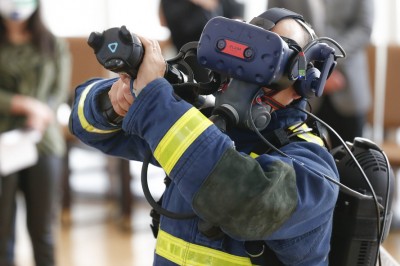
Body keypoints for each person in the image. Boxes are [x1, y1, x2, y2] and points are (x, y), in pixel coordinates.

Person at [70, 8, 340, 265]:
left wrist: (155, 102)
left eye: (270, 63)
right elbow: (85, 126)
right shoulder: (196, 125)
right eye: (246, 57)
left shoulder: (315, 168)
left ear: (303, 85)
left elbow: (243, 200)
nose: (245, 76)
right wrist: (115, 101)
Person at [0, 0, 71, 265]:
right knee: (2, 231)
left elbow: (59, 91)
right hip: (3, 144)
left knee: (43, 230)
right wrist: (23, 104)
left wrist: (42, 114)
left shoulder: (53, 43)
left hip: (44, 142)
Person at [267, 0, 374, 149]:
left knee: (351, 160)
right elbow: (271, 25)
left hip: (347, 83)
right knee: (300, 154)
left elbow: (364, 27)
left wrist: (327, 61)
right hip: (298, 85)